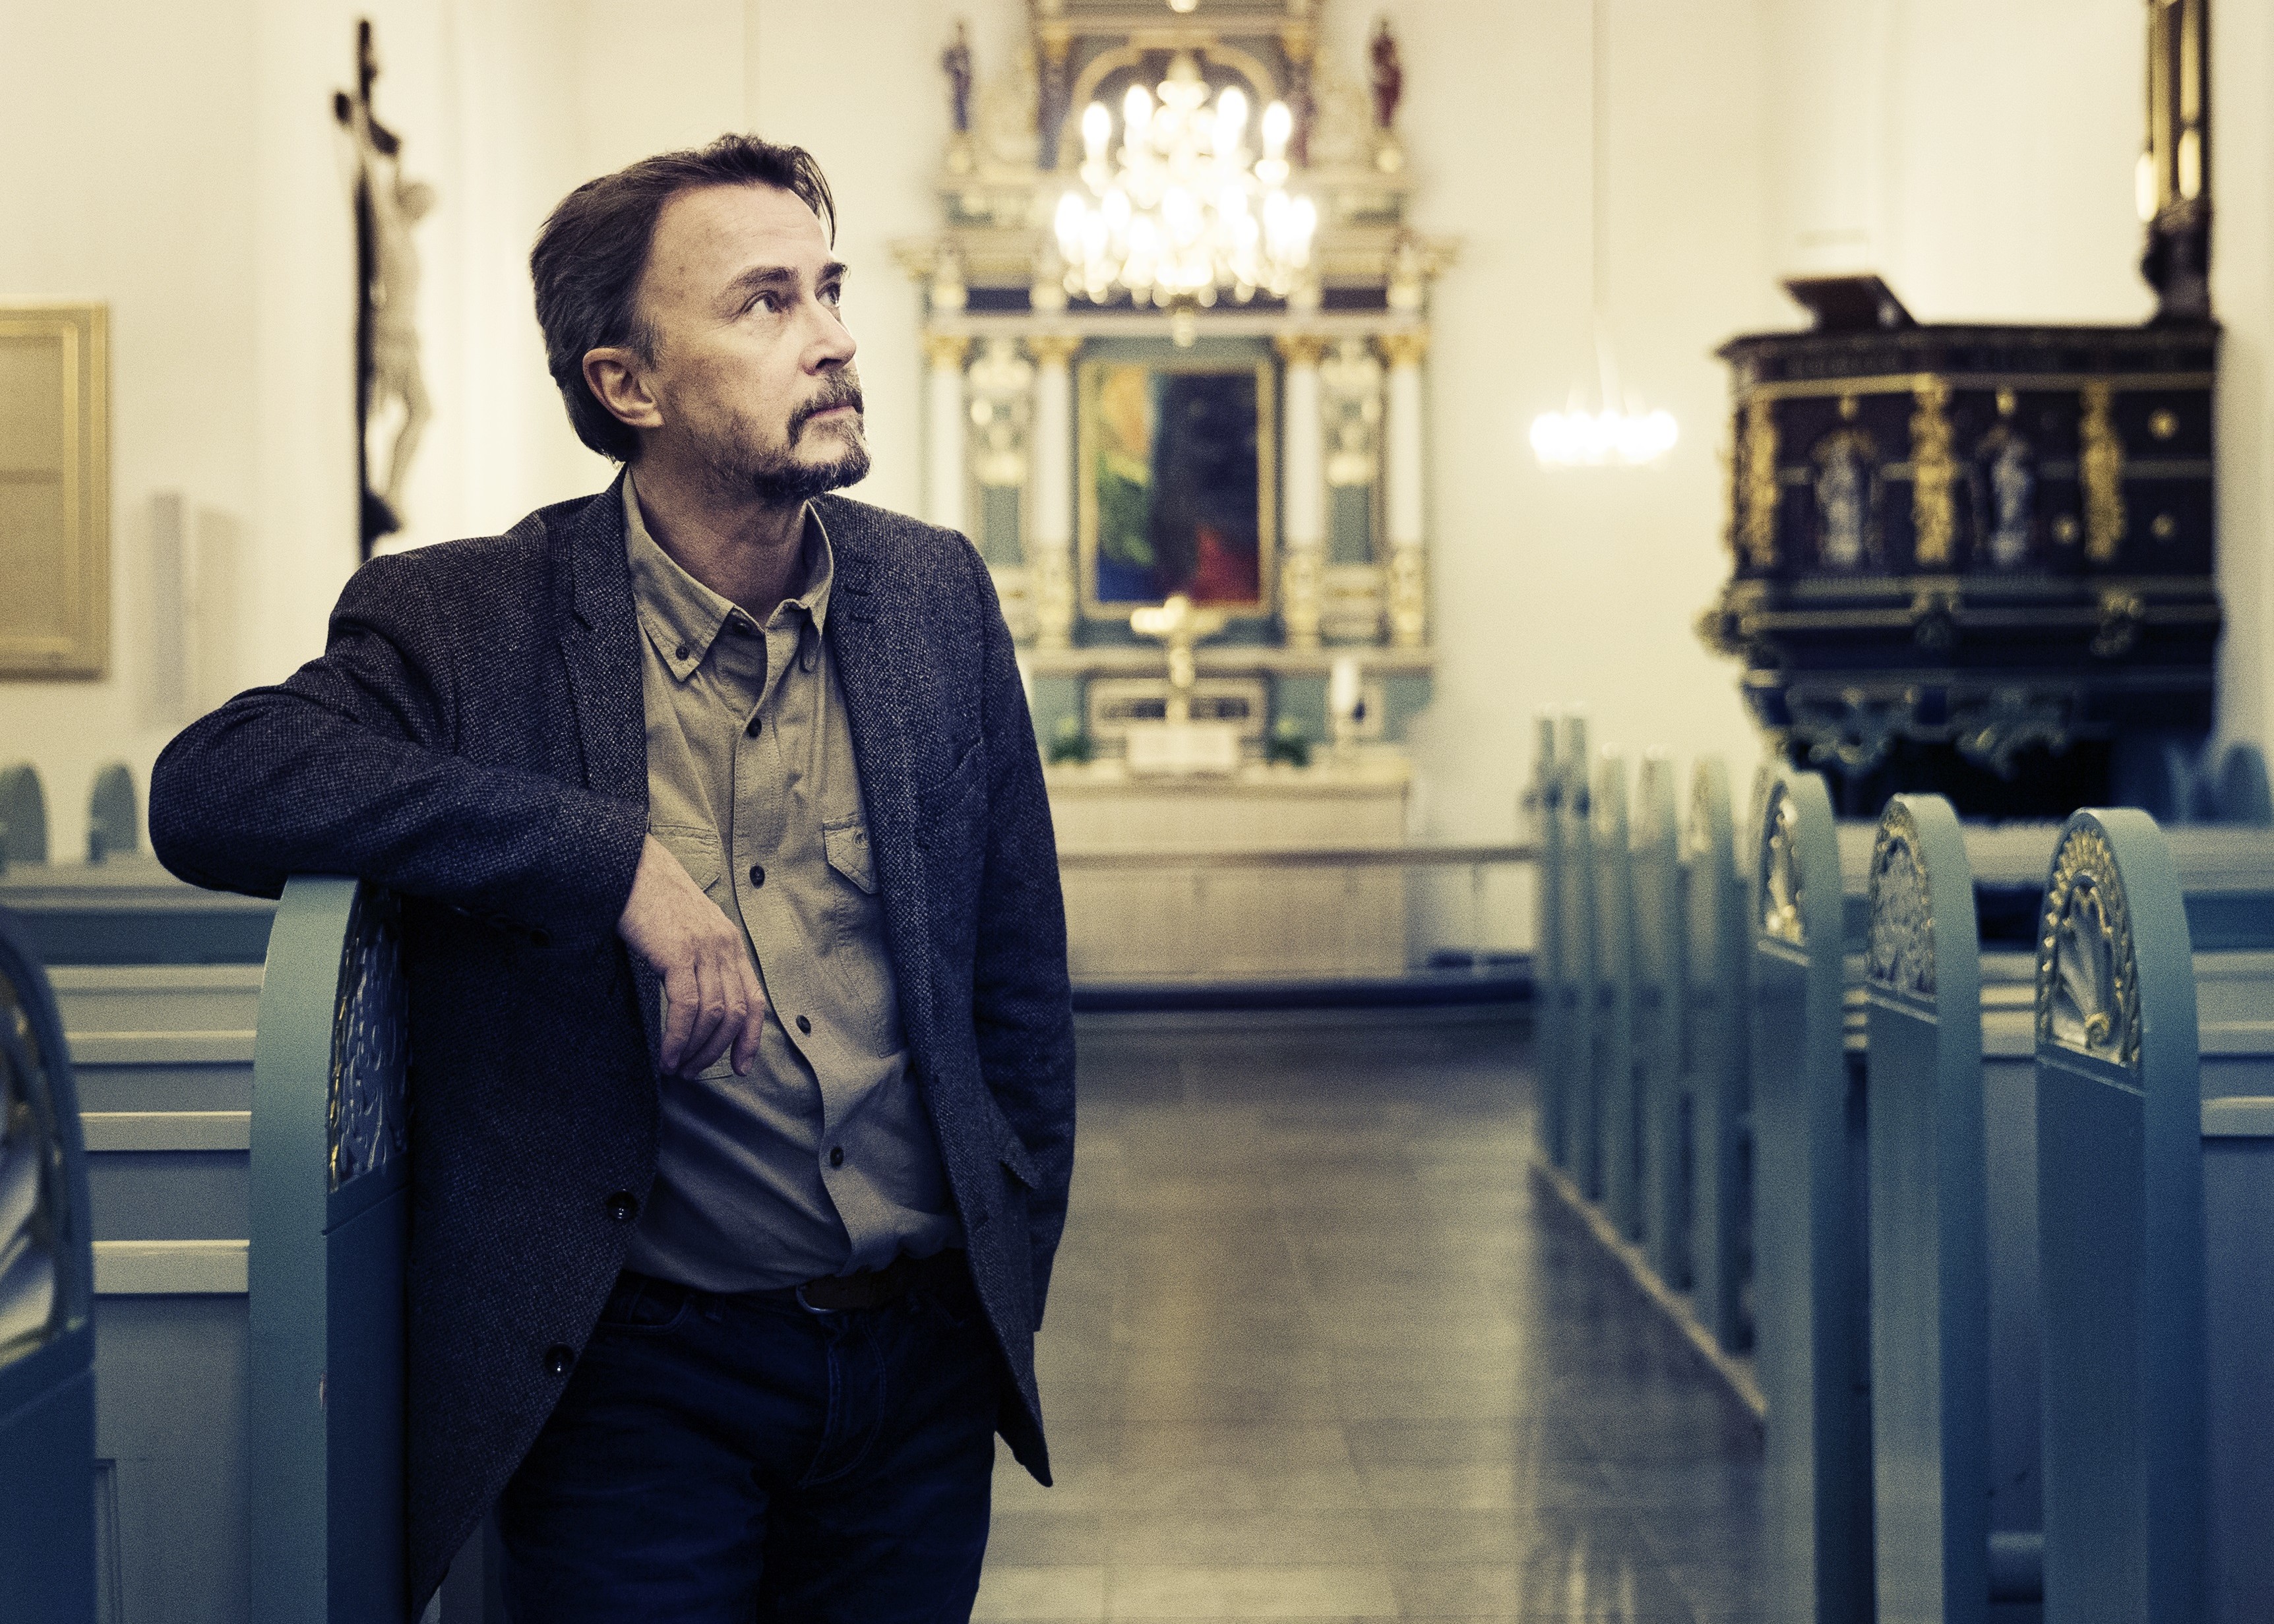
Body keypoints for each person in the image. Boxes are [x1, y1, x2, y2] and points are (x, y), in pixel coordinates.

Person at [149, 134, 1076, 1623]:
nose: (835, 338)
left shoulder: (933, 594)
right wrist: (608, 861)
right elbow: (214, 785)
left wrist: (1002, 1256)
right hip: (641, 1382)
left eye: (829, 290)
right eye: (765, 302)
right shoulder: (470, 616)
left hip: (916, 1372)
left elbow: (1017, 982)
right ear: (626, 383)